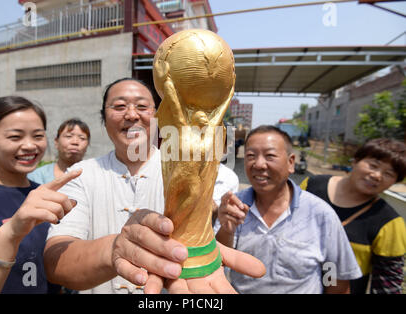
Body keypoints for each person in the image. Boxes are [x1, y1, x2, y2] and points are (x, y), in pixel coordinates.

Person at [43, 78, 266, 294]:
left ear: (159, 116)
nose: (131, 115)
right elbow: (56, 262)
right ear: (104, 117)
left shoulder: (187, 170)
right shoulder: (81, 174)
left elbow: (204, 239)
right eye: (120, 106)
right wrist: (114, 249)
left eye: (142, 106)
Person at [216, 125, 362, 294]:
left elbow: (337, 279)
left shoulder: (320, 213)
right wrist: (227, 230)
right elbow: (222, 262)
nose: (259, 164)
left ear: (291, 162)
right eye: (250, 156)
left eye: (270, 155)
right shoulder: (234, 206)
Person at [0, 96, 80, 293]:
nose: (30, 145)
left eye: (38, 136)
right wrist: (12, 233)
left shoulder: (46, 196)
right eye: (15, 137)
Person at [301, 138, 406, 294]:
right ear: (355, 161)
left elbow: (388, 284)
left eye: (388, 173)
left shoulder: (390, 223)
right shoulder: (311, 186)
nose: (377, 175)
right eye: (373, 165)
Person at [28, 118, 90, 184]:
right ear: (56, 142)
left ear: (88, 145)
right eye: (69, 136)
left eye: (82, 138)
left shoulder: (93, 175)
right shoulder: (37, 176)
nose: (75, 142)